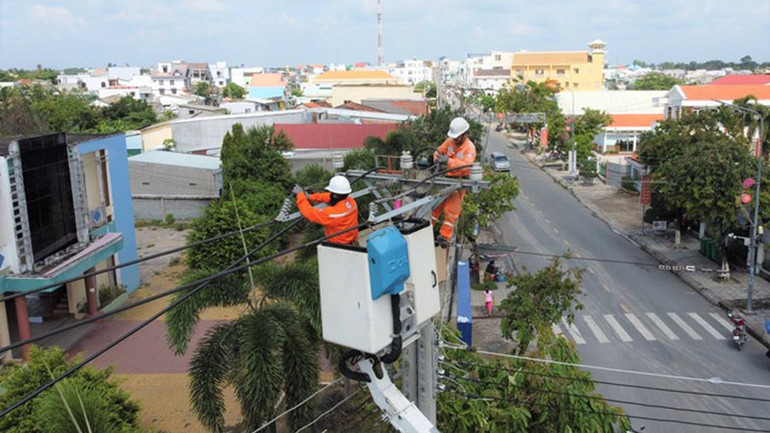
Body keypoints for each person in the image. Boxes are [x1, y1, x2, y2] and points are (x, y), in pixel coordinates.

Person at [432, 117, 477, 247]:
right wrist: (437, 158)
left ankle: (444, 237)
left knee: (451, 212)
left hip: (459, 183)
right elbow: (438, 151)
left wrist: (448, 162)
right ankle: (427, 229)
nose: (455, 139)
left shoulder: (469, 148)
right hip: (445, 179)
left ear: (464, 134)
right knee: (435, 207)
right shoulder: (449, 141)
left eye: (457, 136)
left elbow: (466, 166)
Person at [293, 175, 359, 245]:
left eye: (331, 193)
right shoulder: (351, 202)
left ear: (336, 195)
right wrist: (310, 197)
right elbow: (330, 197)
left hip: (339, 247)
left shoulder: (332, 214)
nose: (330, 194)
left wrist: (300, 195)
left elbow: (309, 212)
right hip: (353, 243)